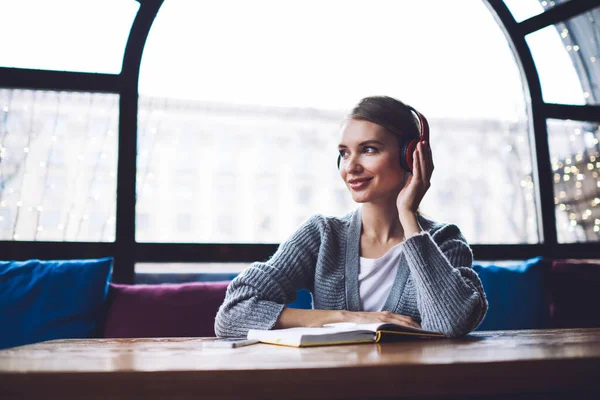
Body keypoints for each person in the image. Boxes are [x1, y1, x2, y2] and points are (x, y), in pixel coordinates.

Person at [215, 96, 487, 338]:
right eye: (344, 153)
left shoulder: (444, 241)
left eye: (369, 149)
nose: (351, 167)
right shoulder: (322, 235)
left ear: (410, 156)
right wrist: (347, 318)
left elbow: (451, 324)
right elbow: (233, 314)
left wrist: (407, 215)